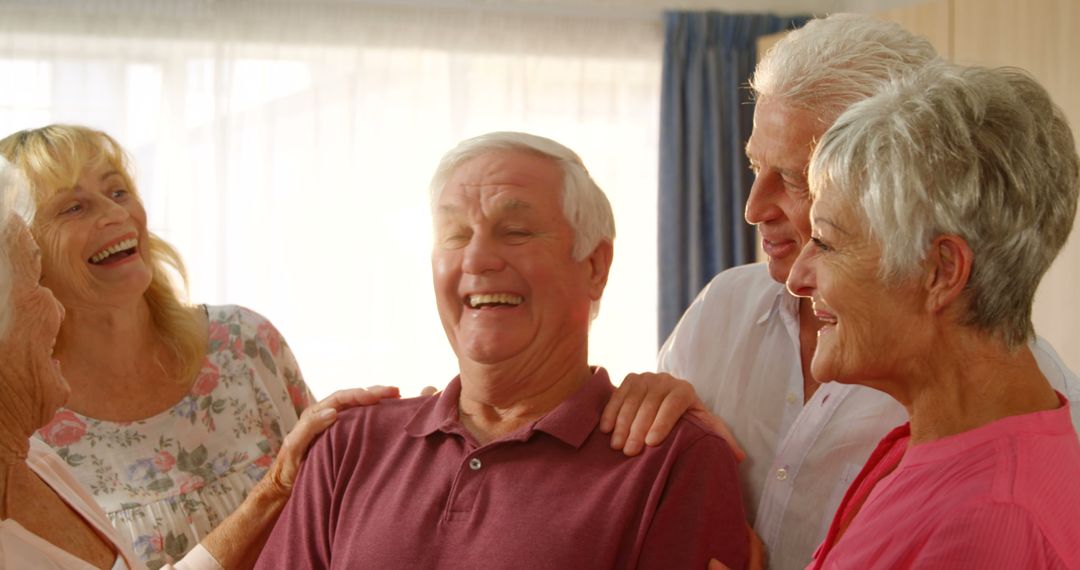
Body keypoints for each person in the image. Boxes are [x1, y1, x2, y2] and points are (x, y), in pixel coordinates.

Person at [599, 14, 1080, 569]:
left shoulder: (996, 510)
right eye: (754, 166)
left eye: (827, 238)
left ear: (941, 270)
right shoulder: (909, 448)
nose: (751, 209)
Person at [255, 132, 748, 569]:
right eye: (455, 234)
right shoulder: (347, 444)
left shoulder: (673, 462)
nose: (477, 258)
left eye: (515, 233)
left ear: (595, 266)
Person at [0, 125, 397, 568]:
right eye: (74, 207)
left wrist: (395, 442)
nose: (116, 215)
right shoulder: (28, 425)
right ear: (19, 254)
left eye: (118, 191)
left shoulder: (244, 343)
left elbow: (331, 507)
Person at [789, 63, 1080, 568]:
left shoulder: (991, 523)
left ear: (941, 271)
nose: (797, 277)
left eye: (826, 242)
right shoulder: (926, 445)